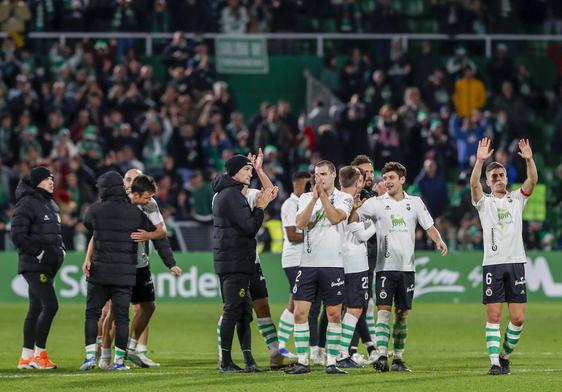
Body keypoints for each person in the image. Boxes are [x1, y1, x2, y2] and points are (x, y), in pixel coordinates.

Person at [353, 161, 448, 372]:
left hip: (407, 269)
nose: (387, 182)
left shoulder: (414, 203)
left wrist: (439, 240)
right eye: (385, 178)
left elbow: (429, 225)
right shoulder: (376, 203)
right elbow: (354, 216)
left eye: (391, 178)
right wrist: (354, 205)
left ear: (402, 180)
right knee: (383, 312)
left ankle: (397, 358)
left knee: (402, 314)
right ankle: (380, 357)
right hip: (385, 267)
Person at [96, 170, 182, 370]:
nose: (130, 183)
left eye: (134, 179)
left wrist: (170, 262)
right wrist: (91, 259)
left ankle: (130, 348)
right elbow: (97, 234)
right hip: (118, 266)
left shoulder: (148, 205)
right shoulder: (116, 204)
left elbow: (160, 233)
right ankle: (104, 355)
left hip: (140, 265)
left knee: (147, 307)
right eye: (127, 179)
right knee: (112, 312)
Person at [215, 148, 290, 370]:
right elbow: (251, 222)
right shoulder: (232, 196)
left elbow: (271, 191)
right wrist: (260, 206)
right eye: (247, 170)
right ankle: (225, 357)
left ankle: (269, 354)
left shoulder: (245, 193)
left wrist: (259, 170)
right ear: (235, 172)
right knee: (232, 309)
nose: (250, 174)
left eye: (250, 170)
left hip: (251, 260)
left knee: (257, 306)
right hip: (236, 258)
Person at [469, 138, 537, 375]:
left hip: (516, 263)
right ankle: (494, 363)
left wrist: (529, 159)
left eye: (502, 175)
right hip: (493, 265)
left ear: (507, 178)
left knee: (518, 318)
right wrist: (479, 161)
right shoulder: (483, 203)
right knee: (495, 315)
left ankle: (504, 354)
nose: (499, 178)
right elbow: (473, 183)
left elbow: (532, 180)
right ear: (488, 181)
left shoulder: (517, 199)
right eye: (494, 176)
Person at [80, 171, 157, 371]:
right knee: (122, 316)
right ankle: (119, 361)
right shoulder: (134, 212)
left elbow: (88, 226)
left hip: (100, 270)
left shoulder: (95, 210)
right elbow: (150, 230)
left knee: (93, 313)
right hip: (124, 273)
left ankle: (90, 357)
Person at [285, 160, 354, 375]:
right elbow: (300, 223)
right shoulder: (306, 198)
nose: (319, 178)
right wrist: (314, 198)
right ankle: (303, 362)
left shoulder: (345, 198)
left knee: (333, 314)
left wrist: (322, 197)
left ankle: (331, 362)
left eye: (323, 174)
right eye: (317, 174)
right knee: (300, 313)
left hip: (333, 264)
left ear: (333, 175)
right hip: (307, 265)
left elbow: (335, 218)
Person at [12, 166, 64, 370]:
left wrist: (61, 250)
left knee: (35, 309)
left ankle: (25, 357)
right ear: (36, 182)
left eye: (52, 178)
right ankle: (39, 355)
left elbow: (55, 234)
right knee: (50, 306)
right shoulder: (26, 204)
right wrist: (39, 253)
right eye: (46, 178)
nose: (52, 181)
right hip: (34, 265)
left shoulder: (49, 204)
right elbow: (17, 235)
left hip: (46, 265)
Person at [336, 166, 376, 369]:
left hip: (337, 260)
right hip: (354, 262)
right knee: (355, 308)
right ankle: (342, 353)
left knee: (338, 309)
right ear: (358, 182)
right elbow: (361, 235)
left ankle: (334, 353)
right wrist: (376, 223)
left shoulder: (334, 198)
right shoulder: (349, 201)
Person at [277, 171, 310, 356]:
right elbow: (291, 235)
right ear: (297, 185)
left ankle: (280, 346)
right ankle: (281, 345)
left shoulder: (305, 203)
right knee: (298, 303)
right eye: (306, 184)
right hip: (293, 259)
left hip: (303, 259)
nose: (308, 188)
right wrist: (313, 236)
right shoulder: (290, 205)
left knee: (294, 301)